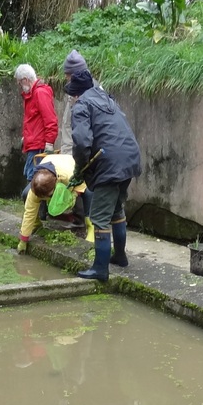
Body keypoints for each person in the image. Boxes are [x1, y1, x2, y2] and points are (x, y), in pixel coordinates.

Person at [66, 53, 142, 280]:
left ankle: (100, 268)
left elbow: (81, 143)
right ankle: (120, 256)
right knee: (116, 209)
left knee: (99, 217)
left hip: (110, 163)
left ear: (74, 93)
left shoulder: (81, 106)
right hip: (129, 158)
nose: (70, 99)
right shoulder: (105, 98)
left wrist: (79, 168)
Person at [17, 153, 93, 253]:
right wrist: (24, 239)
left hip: (69, 164)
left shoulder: (69, 175)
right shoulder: (35, 188)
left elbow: (82, 183)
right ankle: (36, 223)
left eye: (50, 195)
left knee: (88, 192)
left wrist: (75, 194)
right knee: (25, 194)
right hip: (50, 161)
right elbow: (29, 212)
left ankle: (91, 227)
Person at [14, 63, 58, 197]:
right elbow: (32, 121)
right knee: (32, 177)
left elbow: (51, 120)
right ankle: (37, 214)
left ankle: (35, 214)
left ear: (25, 80)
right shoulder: (32, 94)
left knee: (35, 180)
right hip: (34, 145)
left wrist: (49, 144)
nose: (20, 87)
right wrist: (25, 139)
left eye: (20, 83)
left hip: (39, 147)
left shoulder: (40, 93)